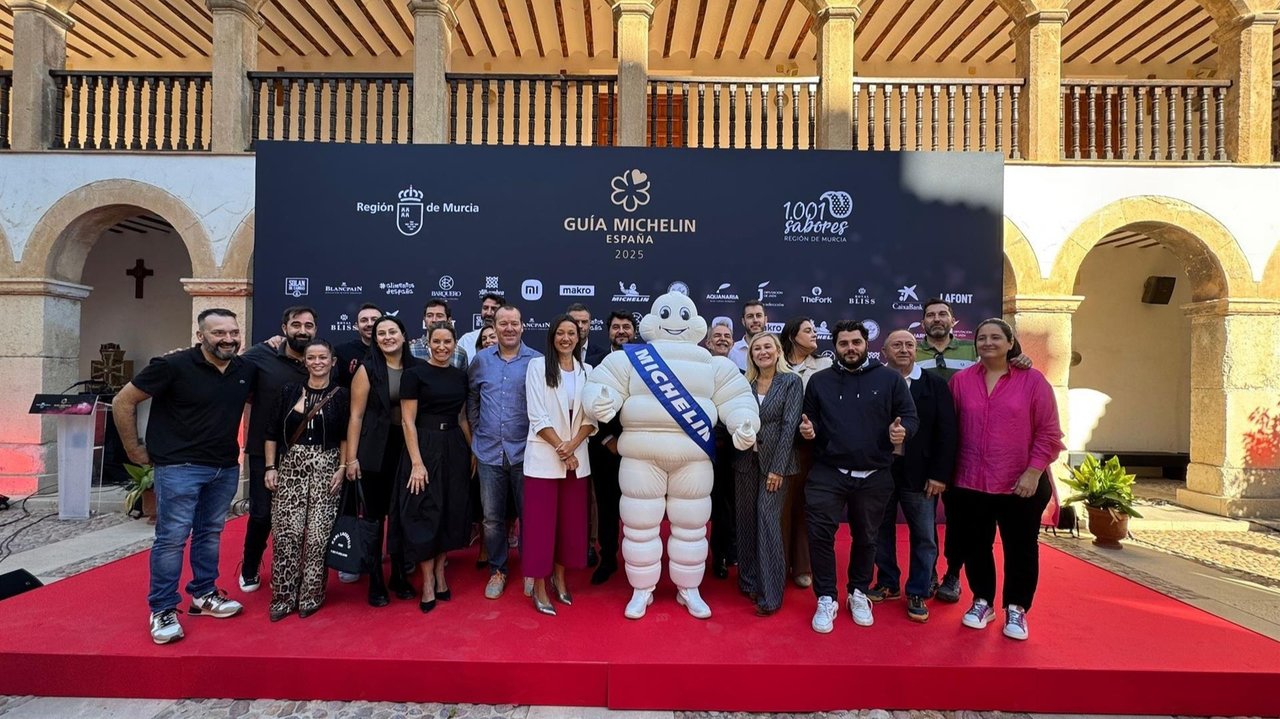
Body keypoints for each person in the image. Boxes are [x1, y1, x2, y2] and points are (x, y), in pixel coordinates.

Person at [583, 292, 759, 620]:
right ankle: (641, 589)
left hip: (693, 459)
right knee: (639, 525)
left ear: (695, 323)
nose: (673, 322)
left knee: (691, 526)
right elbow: (600, 384)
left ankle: (688, 588)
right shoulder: (630, 359)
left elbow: (736, 396)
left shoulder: (712, 363)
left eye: (681, 315)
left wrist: (744, 421)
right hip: (641, 457)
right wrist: (599, 401)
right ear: (651, 320)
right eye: (665, 314)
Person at [111, 308, 256, 644]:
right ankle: (162, 608)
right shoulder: (171, 365)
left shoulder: (244, 369)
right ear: (200, 336)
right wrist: (134, 452)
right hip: (179, 468)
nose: (228, 339)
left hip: (223, 466)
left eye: (233, 332)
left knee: (210, 533)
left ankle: (204, 593)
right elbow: (123, 401)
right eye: (219, 333)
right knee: (172, 538)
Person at [948, 318, 1064, 641]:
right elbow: (949, 428)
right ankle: (982, 601)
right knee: (976, 545)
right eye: (981, 337)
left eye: (995, 337)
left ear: (1010, 343)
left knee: (1021, 548)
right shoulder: (961, 381)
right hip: (971, 481)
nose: (987, 342)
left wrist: (1033, 470)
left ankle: (1017, 608)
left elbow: (1049, 432)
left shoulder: (1033, 381)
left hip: (1021, 484)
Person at [798, 320, 917, 634]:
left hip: (875, 474)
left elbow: (910, 416)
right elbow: (811, 420)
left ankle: (858, 592)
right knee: (820, 536)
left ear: (867, 344)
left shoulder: (890, 379)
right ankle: (826, 597)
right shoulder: (819, 381)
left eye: (856, 342)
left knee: (867, 538)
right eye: (843, 343)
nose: (850, 348)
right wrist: (810, 431)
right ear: (835, 347)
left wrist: (903, 430)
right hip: (828, 472)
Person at [918, 298, 1031, 604]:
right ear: (923, 322)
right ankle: (925, 572)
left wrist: (1020, 359)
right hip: (924, 452)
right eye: (930, 315)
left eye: (943, 314)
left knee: (959, 521)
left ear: (953, 320)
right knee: (923, 519)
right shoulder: (910, 351)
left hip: (966, 452)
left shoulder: (974, 350)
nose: (937, 319)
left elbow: (1002, 364)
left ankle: (953, 573)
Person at [867, 329, 957, 623]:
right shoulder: (873, 382)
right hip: (881, 471)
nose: (904, 349)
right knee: (880, 531)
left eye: (909, 344)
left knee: (924, 535)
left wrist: (939, 474)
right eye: (897, 345)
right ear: (884, 351)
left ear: (916, 350)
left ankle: (918, 588)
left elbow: (947, 433)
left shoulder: (933, 385)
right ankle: (888, 582)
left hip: (920, 474)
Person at [262, 338, 349, 622]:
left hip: (327, 465)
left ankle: (312, 594)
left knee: (317, 536)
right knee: (287, 533)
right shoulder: (288, 391)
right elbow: (272, 431)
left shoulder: (341, 395)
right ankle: (284, 596)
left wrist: (343, 466)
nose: (317, 363)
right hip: (290, 466)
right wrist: (270, 467)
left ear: (332, 361)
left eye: (323, 357)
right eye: (312, 358)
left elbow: (346, 435)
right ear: (304, 361)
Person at [238, 306, 316, 594]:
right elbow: (230, 376)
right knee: (262, 514)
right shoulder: (261, 354)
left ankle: (293, 568)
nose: (303, 331)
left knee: (301, 517)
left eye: (309, 326)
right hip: (263, 450)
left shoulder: (318, 358)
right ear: (284, 328)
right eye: (297, 325)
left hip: (307, 451)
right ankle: (250, 565)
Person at [397, 322, 474, 614]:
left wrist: (473, 450)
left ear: (455, 344)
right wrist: (417, 462)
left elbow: (463, 417)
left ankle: (441, 572)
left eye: (447, 342)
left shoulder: (459, 376)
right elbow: (407, 421)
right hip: (425, 445)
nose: (442, 347)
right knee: (426, 511)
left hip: (454, 444)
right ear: (427, 342)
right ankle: (427, 580)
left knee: (450, 510)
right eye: (437, 341)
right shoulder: (414, 374)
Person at [345, 314, 421, 606]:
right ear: (375, 340)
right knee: (374, 518)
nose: (387, 337)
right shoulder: (367, 369)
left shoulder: (416, 368)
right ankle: (375, 578)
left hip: (407, 449)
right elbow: (356, 416)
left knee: (402, 515)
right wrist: (351, 459)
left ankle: (399, 574)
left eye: (393, 331)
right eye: (381, 333)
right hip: (375, 452)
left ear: (404, 335)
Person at [523, 315, 596, 615]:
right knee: (541, 527)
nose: (566, 338)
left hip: (577, 461)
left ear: (579, 338)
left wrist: (572, 446)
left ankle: (560, 579)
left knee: (570, 525)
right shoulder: (537, 367)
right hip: (544, 459)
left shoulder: (587, 371)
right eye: (560, 333)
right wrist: (563, 450)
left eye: (572, 333)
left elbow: (591, 418)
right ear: (552, 337)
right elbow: (537, 415)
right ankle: (539, 587)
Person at [468, 304, 540, 599]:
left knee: (530, 515)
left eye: (514, 323)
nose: (509, 328)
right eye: (503, 324)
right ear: (493, 327)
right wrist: (477, 429)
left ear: (523, 326)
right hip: (488, 452)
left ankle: (531, 570)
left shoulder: (536, 361)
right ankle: (498, 569)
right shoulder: (481, 360)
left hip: (526, 452)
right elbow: (472, 397)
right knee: (492, 519)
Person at [733, 333, 803, 616]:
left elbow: (789, 426)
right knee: (747, 522)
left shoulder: (791, 382)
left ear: (777, 352)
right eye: (756, 348)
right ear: (750, 355)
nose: (762, 352)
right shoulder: (743, 384)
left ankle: (771, 593)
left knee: (767, 521)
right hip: (745, 463)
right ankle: (750, 580)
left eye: (767, 347)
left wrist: (778, 468)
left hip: (776, 465)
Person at [778, 316, 832, 590]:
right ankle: (777, 563)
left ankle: (802, 566)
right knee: (779, 507)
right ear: (792, 335)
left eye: (815, 329)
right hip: (777, 446)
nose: (815, 333)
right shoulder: (775, 362)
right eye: (808, 330)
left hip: (811, 447)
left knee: (805, 505)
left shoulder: (825, 365)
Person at [587, 310, 635, 584]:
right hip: (605, 448)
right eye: (615, 327)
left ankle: (639, 559)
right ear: (607, 332)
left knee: (639, 508)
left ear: (634, 331)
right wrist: (607, 439)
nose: (621, 331)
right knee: (607, 507)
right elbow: (589, 406)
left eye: (626, 327)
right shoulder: (594, 363)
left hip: (639, 448)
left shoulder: (648, 364)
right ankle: (608, 560)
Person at [705, 316, 739, 579]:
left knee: (726, 505)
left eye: (727, 337)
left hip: (730, 451)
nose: (722, 339)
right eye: (717, 335)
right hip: (700, 448)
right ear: (707, 342)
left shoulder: (741, 376)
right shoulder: (698, 372)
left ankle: (721, 555)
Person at [409, 299, 469, 369]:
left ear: (449, 320)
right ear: (424, 320)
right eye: (429, 315)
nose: (434, 320)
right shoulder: (411, 350)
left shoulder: (460, 353)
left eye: (439, 316)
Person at [336, 303, 382, 389]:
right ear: (356, 326)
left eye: (374, 320)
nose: (370, 324)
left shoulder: (394, 351)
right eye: (364, 320)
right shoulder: (342, 352)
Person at [459, 293, 506, 367]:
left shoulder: (508, 339)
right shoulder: (467, 339)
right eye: (485, 308)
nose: (488, 313)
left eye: (494, 309)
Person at [728, 300, 768, 371]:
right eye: (750, 316)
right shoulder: (732, 351)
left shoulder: (775, 350)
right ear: (743, 321)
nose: (755, 320)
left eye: (759, 316)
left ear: (765, 320)